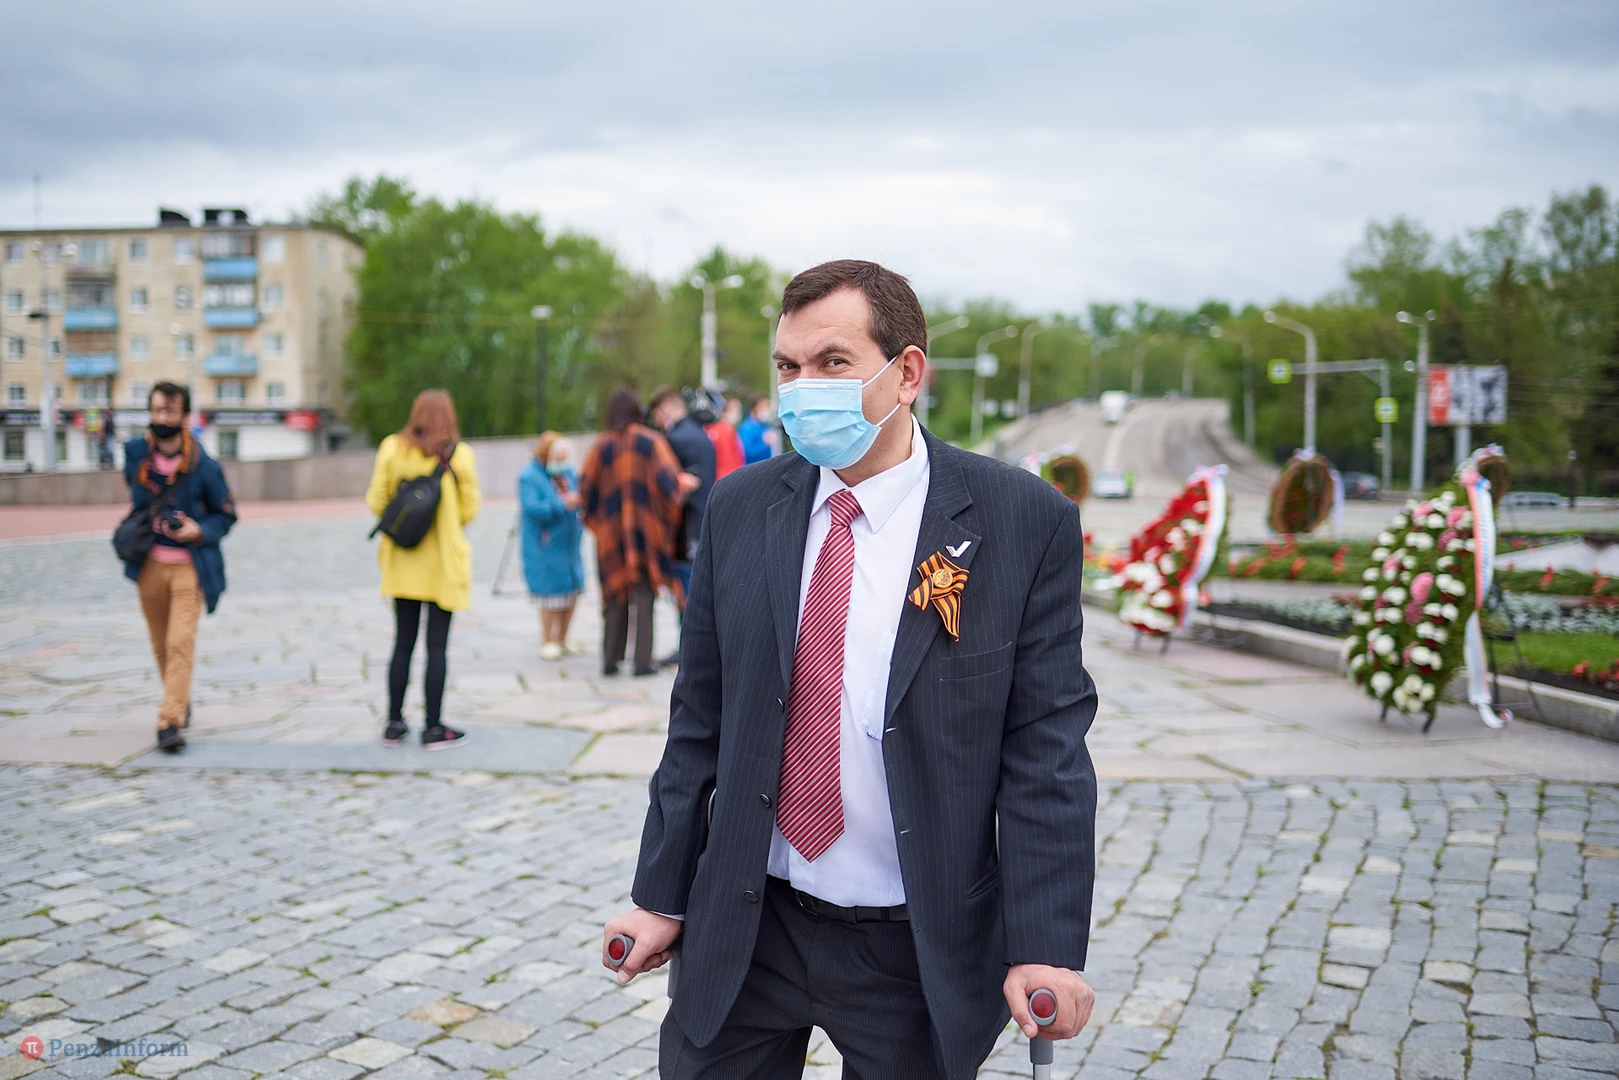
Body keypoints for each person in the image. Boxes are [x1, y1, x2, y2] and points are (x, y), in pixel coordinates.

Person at [603, 260, 1098, 1079]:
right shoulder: (739, 507)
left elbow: (1044, 747)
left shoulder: (1021, 521)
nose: (803, 389)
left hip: (912, 943)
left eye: (832, 362)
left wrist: (1044, 945)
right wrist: (660, 894)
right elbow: (699, 719)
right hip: (749, 926)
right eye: (787, 367)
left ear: (906, 373)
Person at [122, 382, 238, 754]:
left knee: (179, 642)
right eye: (157, 410)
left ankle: (169, 721)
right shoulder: (136, 454)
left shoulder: (204, 465)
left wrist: (198, 530)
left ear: (184, 417)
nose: (162, 418)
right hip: (148, 565)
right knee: (160, 644)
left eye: (170, 412)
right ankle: (180, 701)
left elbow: (227, 514)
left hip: (189, 566)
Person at [365, 389, 481, 750]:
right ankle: (433, 727)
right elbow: (469, 511)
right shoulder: (459, 455)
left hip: (403, 561)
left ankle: (394, 724)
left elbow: (377, 501)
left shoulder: (392, 449)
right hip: (443, 563)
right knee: (436, 647)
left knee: (403, 642)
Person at [580, 388, 693, 677]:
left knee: (613, 594)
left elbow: (586, 493)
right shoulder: (651, 442)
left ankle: (610, 660)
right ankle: (643, 662)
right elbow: (670, 486)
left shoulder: (600, 447)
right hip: (646, 533)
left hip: (611, 535)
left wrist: (601, 521)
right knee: (645, 595)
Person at [520, 431, 586, 660]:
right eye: (558, 458)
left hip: (569, 543)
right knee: (550, 595)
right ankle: (547, 640)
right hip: (546, 545)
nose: (562, 462)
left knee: (572, 592)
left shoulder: (568, 474)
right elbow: (532, 508)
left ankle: (563, 639)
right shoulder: (529, 476)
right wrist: (560, 504)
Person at [705, 394, 746, 480]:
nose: (737, 413)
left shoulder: (729, 429)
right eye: (734, 409)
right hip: (728, 478)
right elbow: (726, 461)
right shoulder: (723, 430)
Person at [736, 395, 778, 465]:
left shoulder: (765, 425)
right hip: (752, 468)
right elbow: (746, 452)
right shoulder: (747, 428)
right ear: (754, 409)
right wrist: (764, 443)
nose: (766, 410)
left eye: (767, 407)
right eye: (762, 408)